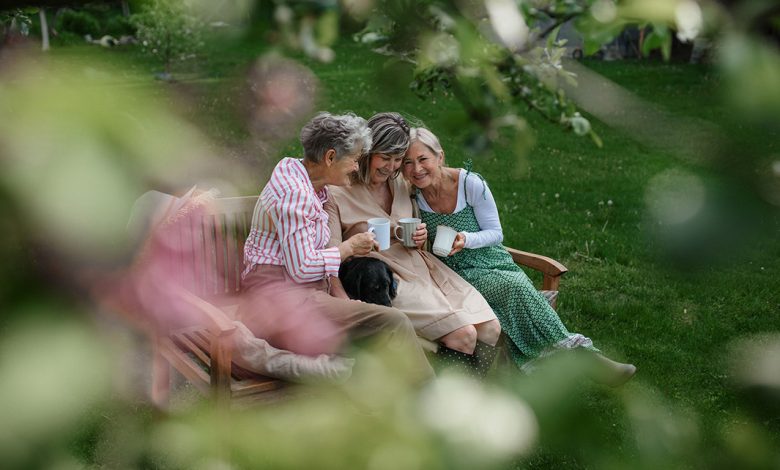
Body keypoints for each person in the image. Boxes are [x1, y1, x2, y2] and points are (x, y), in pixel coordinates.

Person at [403, 126, 636, 386]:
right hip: (452, 273)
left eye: (423, 159)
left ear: (440, 157)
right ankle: (584, 360)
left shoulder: (470, 184)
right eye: (408, 163)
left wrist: (466, 239)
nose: (416, 169)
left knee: (515, 287)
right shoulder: (412, 194)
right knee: (514, 289)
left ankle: (577, 359)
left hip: (490, 259)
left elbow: (495, 233)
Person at [237, 112, 434, 382]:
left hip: (301, 295)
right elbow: (303, 269)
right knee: (393, 322)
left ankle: (387, 406)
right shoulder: (295, 195)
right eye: (354, 159)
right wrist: (349, 247)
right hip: (280, 301)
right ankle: (430, 405)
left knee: (376, 334)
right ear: (330, 157)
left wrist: (339, 292)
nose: (356, 167)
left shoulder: (308, 182)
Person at [325, 112, 501, 373]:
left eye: (398, 160)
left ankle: (470, 397)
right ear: (366, 152)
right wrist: (343, 301)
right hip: (385, 277)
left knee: (489, 328)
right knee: (463, 335)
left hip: (424, 267)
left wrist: (418, 237)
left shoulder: (399, 183)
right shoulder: (337, 191)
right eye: (385, 157)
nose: (391, 167)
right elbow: (330, 256)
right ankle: (448, 406)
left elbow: (431, 194)